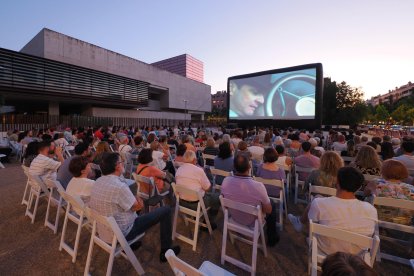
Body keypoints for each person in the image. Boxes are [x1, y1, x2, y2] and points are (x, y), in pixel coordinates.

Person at [88, 152, 180, 261]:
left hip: (104, 232)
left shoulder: (97, 182)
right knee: (165, 210)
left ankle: (130, 245)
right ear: (117, 166)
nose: (123, 164)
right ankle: (166, 251)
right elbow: (138, 207)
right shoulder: (119, 187)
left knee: (125, 206)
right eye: (122, 162)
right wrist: (137, 198)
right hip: (123, 233)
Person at [288, 167, 377, 255]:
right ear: (359, 187)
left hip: (324, 250)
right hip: (355, 256)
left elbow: (311, 228)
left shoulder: (319, 203)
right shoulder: (371, 210)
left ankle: (299, 222)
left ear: (337, 182)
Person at [221, 154, 279, 246]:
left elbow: (225, 204)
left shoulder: (226, 181)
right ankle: (272, 237)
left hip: (235, 217)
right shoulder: (258, 186)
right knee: (271, 204)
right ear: (249, 167)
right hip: (253, 222)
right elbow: (268, 210)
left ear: (234, 167)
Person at [175, 151, 220, 229]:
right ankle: (208, 222)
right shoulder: (198, 170)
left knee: (204, 192)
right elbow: (207, 188)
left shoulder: (178, 170)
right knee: (218, 197)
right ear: (194, 160)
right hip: (197, 204)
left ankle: (198, 216)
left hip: (182, 203)